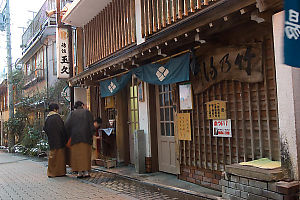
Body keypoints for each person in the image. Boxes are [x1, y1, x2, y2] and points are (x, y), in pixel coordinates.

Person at [65, 101, 94, 178]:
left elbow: (67, 126)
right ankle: (86, 172)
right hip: (86, 137)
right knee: (86, 155)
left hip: (75, 138)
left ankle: (79, 172)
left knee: (77, 155)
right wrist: (92, 134)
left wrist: (69, 136)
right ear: (82, 105)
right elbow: (91, 125)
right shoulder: (87, 113)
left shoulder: (72, 114)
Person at [43, 103, 68, 178]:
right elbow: (62, 129)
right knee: (60, 157)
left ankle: (51, 172)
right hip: (59, 140)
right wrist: (65, 138)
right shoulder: (57, 117)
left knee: (52, 156)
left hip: (52, 140)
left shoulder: (47, 118)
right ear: (55, 109)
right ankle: (60, 172)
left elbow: (45, 129)